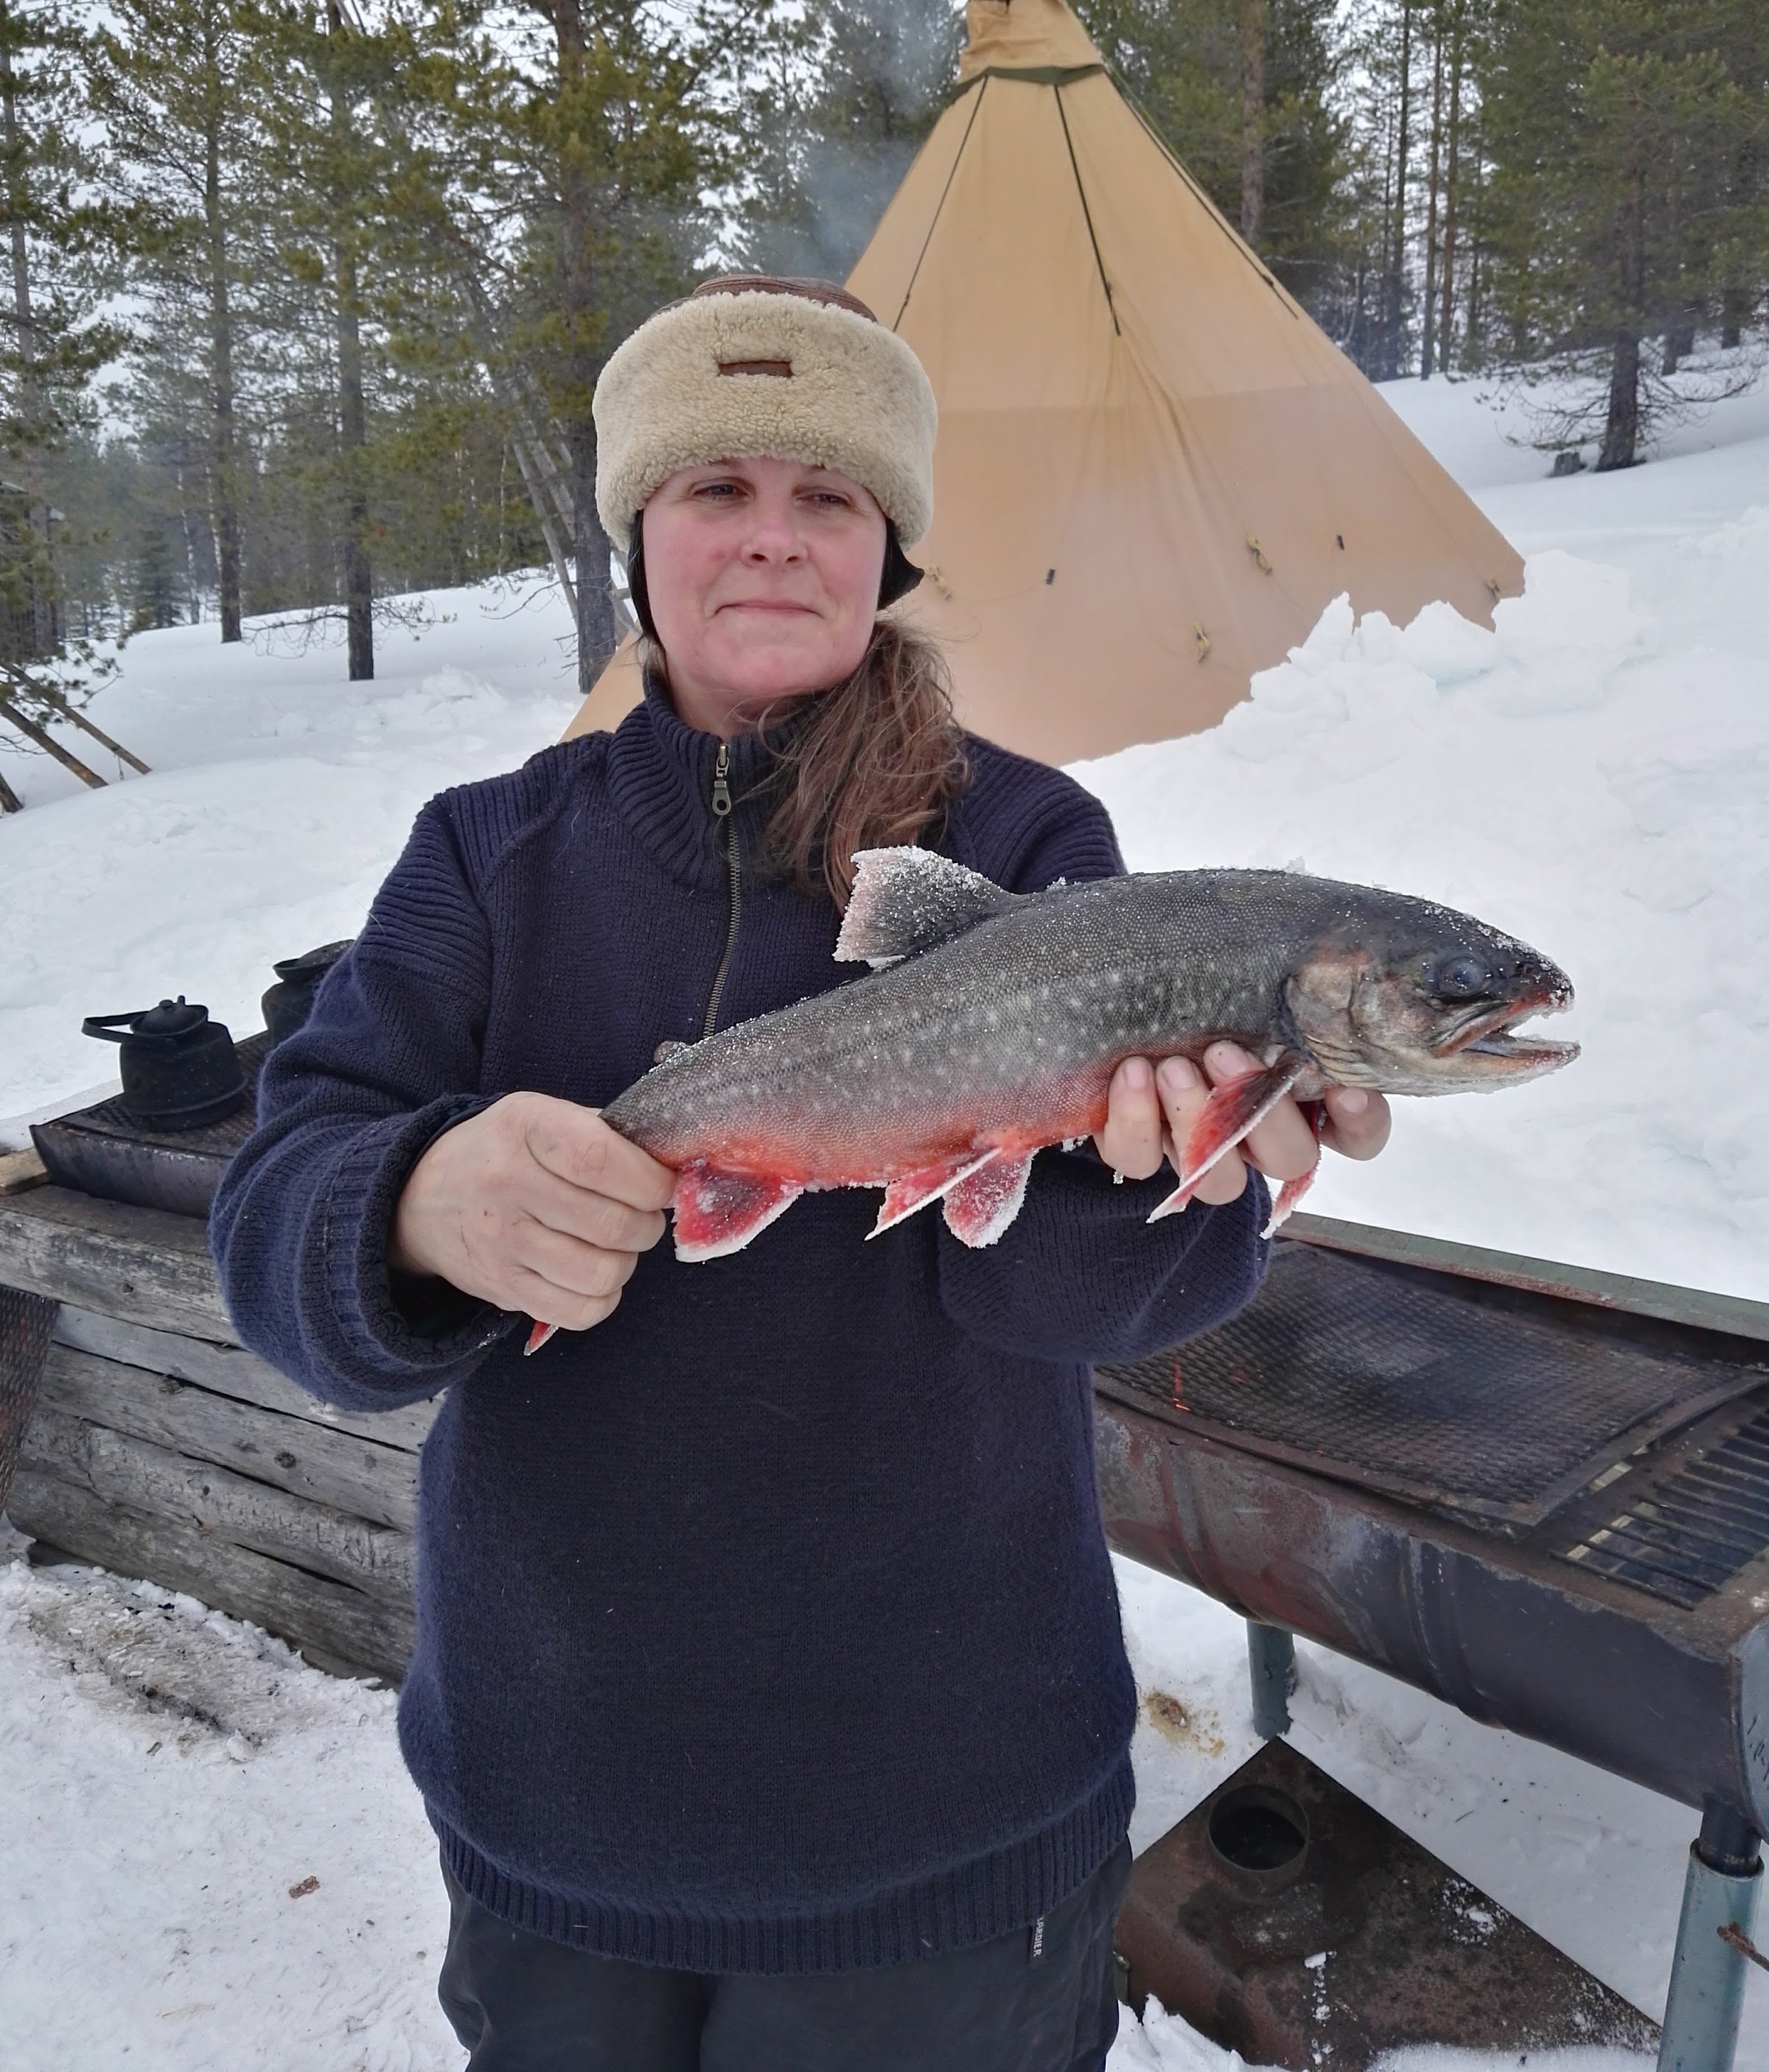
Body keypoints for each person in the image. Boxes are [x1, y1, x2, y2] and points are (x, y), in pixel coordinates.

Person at [212, 275, 1390, 2072]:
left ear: (887, 549)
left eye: (827, 495)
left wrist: (1178, 1176)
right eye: (718, 487)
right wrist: (412, 1204)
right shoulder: (485, 857)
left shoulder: (1025, 840)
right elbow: (271, 1226)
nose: (773, 536)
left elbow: (1058, 1300)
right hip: (557, 1803)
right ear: (638, 535)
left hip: (948, 1822)